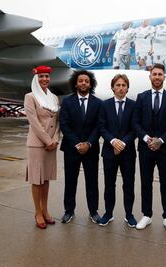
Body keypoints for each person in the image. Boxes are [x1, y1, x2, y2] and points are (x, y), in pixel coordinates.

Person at [132, 63, 166, 232]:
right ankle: (147, 215)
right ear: (150, 76)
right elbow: (135, 122)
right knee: (146, 182)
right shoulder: (141, 97)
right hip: (145, 148)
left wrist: (161, 140)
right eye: (154, 74)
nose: (157, 77)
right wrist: (146, 138)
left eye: (160, 74)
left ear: (164, 77)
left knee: (165, 183)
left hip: (165, 149)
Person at [59, 70, 102, 224]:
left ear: (91, 84)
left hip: (91, 149)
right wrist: (77, 143)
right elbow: (64, 124)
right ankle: (69, 211)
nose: (83, 83)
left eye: (86, 81)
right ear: (75, 84)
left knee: (92, 181)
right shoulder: (67, 102)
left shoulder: (98, 103)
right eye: (80, 81)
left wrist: (88, 143)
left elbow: (99, 126)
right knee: (70, 181)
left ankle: (93, 211)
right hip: (72, 148)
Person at [98, 74, 137, 227]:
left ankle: (129, 214)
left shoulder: (133, 105)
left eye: (124, 85)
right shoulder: (104, 105)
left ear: (127, 88)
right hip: (109, 151)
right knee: (109, 184)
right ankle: (108, 213)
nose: (121, 88)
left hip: (128, 153)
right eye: (118, 85)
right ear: (112, 87)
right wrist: (113, 142)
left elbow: (135, 129)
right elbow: (101, 127)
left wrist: (122, 143)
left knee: (128, 184)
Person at [24, 65, 60, 229]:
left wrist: (55, 140)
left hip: (52, 144)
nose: (44, 79)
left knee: (46, 179)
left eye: (46, 76)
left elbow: (57, 121)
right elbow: (34, 122)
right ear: (36, 79)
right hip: (38, 144)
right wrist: (47, 140)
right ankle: (37, 212)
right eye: (41, 77)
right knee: (37, 180)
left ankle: (45, 210)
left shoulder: (53, 98)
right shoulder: (30, 96)